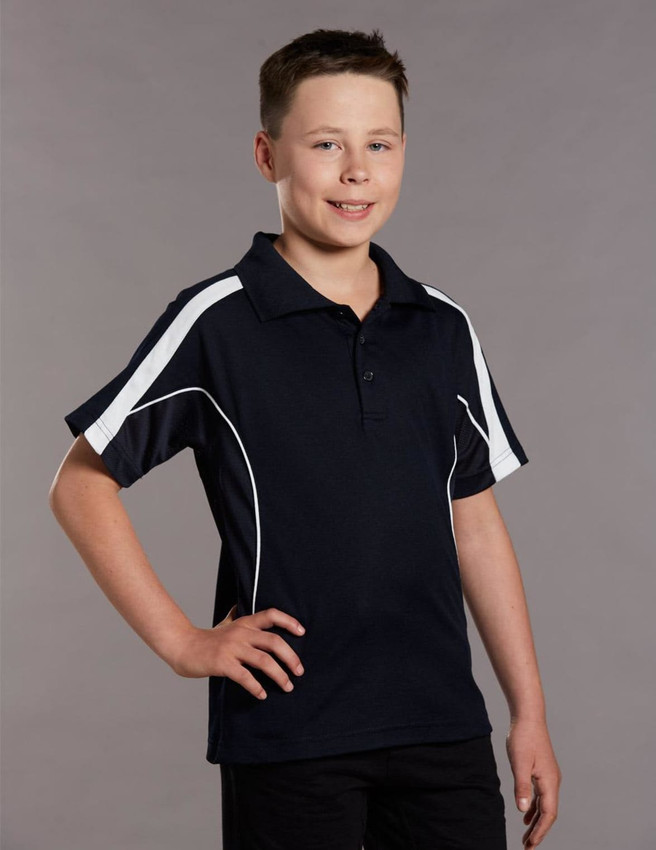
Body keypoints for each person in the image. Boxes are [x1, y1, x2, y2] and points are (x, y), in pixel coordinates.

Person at [49, 26, 561, 850]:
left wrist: (527, 712)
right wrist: (183, 641)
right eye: (326, 143)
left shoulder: (441, 327)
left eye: (380, 143)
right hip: (289, 734)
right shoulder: (216, 322)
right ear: (267, 155)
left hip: (442, 727)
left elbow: (474, 524)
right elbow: (79, 483)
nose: (357, 170)